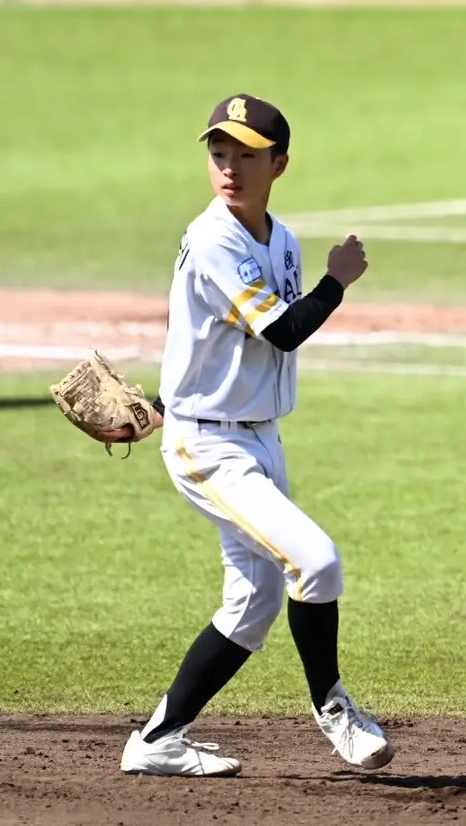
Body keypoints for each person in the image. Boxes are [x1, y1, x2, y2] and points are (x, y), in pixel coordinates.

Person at [105, 95, 394, 777]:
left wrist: (160, 401)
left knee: (254, 603)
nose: (228, 168)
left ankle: (157, 740)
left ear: (279, 165)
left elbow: (213, 338)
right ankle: (334, 708)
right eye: (218, 154)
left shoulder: (281, 240)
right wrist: (337, 282)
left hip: (259, 439)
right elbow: (284, 331)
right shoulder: (214, 239)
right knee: (316, 562)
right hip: (209, 448)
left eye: (245, 155)